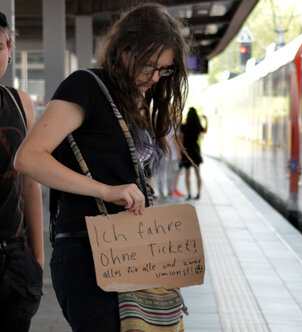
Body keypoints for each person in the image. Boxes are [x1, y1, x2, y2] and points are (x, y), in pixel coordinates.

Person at [14, 3, 188, 331]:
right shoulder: (86, 86)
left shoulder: (127, 99)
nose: (154, 77)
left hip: (126, 250)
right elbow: (29, 157)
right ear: (124, 50)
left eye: (163, 70)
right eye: (149, 65)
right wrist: (107, 190)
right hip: (89, 257)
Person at [0, 11, 43, 332]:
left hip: (15, 258)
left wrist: (38, 261)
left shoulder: (20, 103)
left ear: (10, 47)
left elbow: (31, 185)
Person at [180, 107, 207, 200]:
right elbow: (205, 130)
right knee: (197, 174)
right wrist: (205, 120)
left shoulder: (183, 126)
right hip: (195, 151)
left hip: (187, 152)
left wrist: (181, 153)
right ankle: (198, 193)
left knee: (187, 174)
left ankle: (189, 194)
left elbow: (181, 141)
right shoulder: (197, 126)